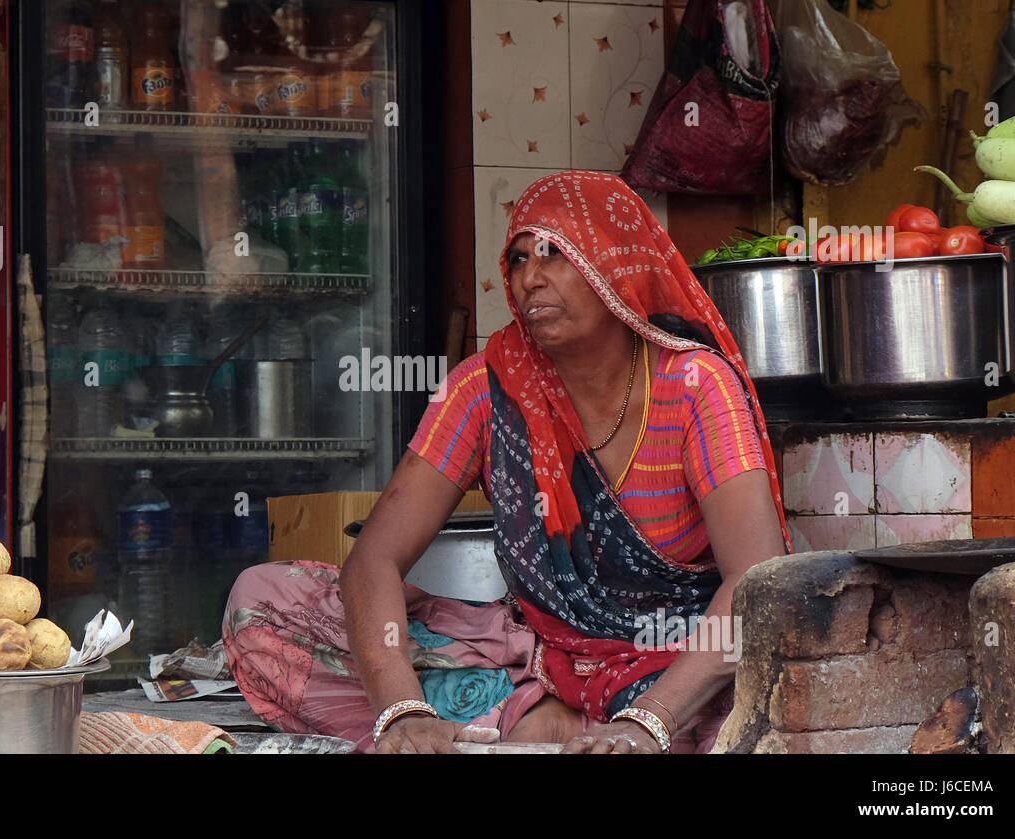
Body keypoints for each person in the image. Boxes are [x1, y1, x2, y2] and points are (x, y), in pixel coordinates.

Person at [222, 170, 791, 754]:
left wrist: (651, 719)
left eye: (553, 255)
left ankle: (535, 735)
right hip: (541, 660)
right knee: (262, 601)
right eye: (517, 260)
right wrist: (400, 709)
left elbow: (758, 584)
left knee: (769, 712)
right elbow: (374, 560)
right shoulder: (487, 387)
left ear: (613, 266)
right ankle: (525, 722)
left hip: (679, 669)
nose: (529, 279)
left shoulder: (696, 385)